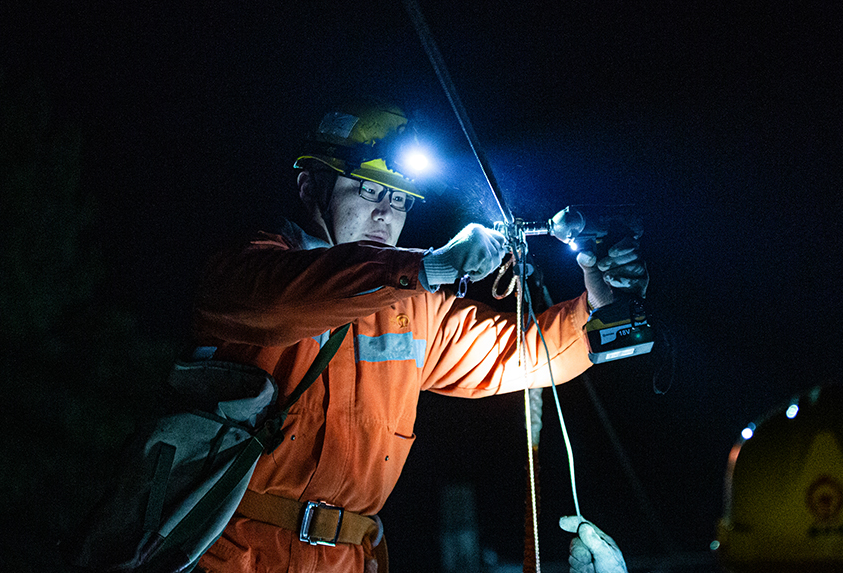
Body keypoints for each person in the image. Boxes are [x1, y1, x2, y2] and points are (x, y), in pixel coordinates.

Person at [193, 97, 648, 573]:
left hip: (347, 558)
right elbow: (287, 296)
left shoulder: (413, 307)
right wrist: (429, 267)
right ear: (310, 187)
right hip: (230, 550)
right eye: (368, 192)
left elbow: (523, 353)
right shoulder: (249, 269)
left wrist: (601, 304)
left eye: (400, 200)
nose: (385, 214)